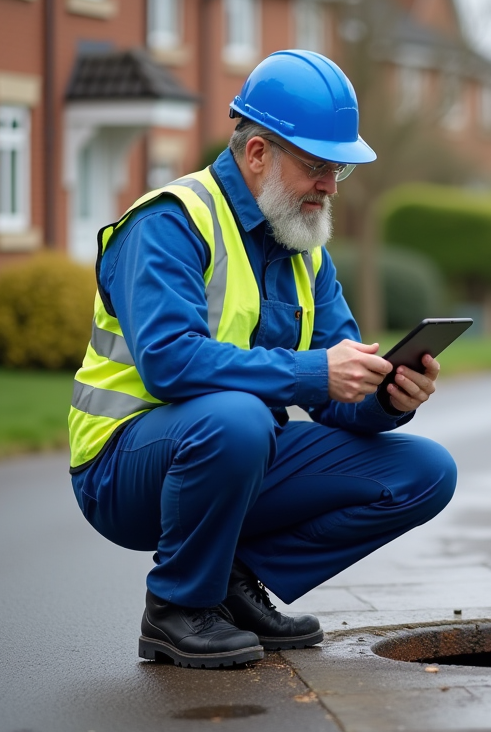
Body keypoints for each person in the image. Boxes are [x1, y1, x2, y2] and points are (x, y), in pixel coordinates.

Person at [67, 50, 457, 669]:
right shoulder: (169, 222)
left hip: (234, 454)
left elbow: (336, 393)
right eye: (318, 166)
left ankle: (230, 584)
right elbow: (170, 363)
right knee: (240, 419)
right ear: (257, 155)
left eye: (339, 170)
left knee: (426, 471)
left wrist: (385, 396)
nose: (330, 186)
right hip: (121, 468)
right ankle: (175, 610)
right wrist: (313, 372)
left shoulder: (305, 243)